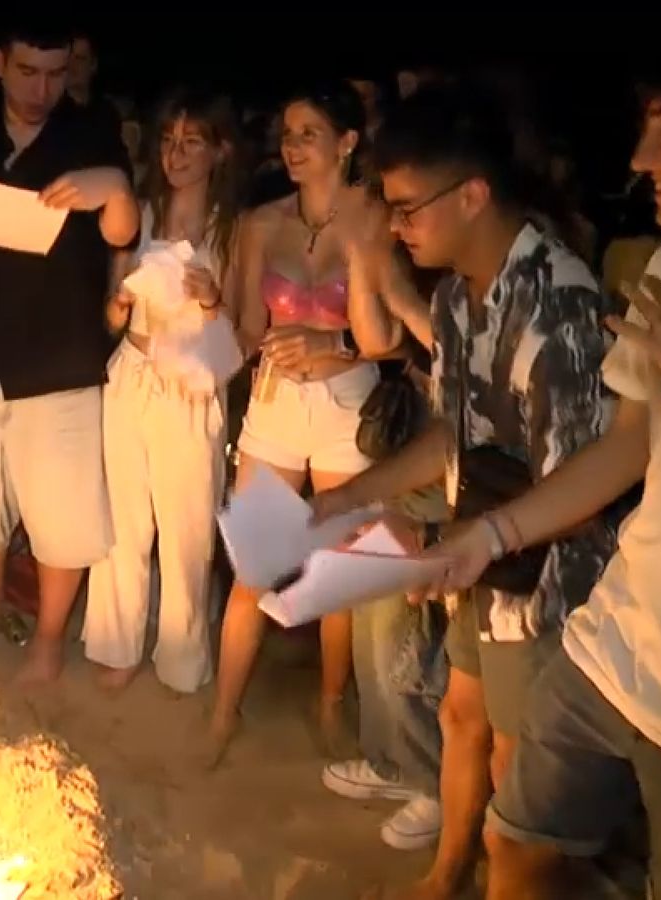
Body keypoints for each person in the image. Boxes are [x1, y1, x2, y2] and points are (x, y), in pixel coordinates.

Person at [312, 84, 618, 900]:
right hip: (481, 561)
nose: (398, 227)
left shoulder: (563, 306)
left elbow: (579, 490)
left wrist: (440, 545)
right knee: (459, 717)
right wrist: (351, 499)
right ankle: (446, 873)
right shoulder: (457, 296)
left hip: (551, 582)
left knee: (518, 767)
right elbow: (452, 432)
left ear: (474, 195)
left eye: (409, 208)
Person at [420, 70, 661, 900]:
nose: (644, 159)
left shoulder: (560, 287)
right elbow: (625, 449)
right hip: (623, 632)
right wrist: (491, 535)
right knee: (520, 845)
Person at [0, 22, 138, 684]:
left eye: (56, 73)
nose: (43, 89)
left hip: (62, 356)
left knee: (62, 512)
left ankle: (47, 640)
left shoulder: (91, 132)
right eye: (29, 71)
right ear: (0, 62)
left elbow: (122, 232)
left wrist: (114, 191)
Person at [205, 81, 383, 762]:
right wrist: (208, 311)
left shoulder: (376, 216)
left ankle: (332, 705)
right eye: (287, 132)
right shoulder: (261, 223)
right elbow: (249, 329)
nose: (293, 145)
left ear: (347, 141)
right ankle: (224, 711)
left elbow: (393, 336)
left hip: (349, 404)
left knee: (336, 572)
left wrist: (332, 347)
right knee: (254, 566)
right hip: (278, 402)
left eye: (310, 132)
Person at [87, 85, 243, 694]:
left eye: (192, 142)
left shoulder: (234, 231)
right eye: (169, 141)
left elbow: (243, 333)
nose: (177, 155)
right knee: (123, 520)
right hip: (132, 372)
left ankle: (181, 660)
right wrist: (121, 302)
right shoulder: (141, 215)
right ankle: (119, 646)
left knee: (185, 529)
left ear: (219, 151)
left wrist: (210, 299)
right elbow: (108, 315)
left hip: (191, 385)